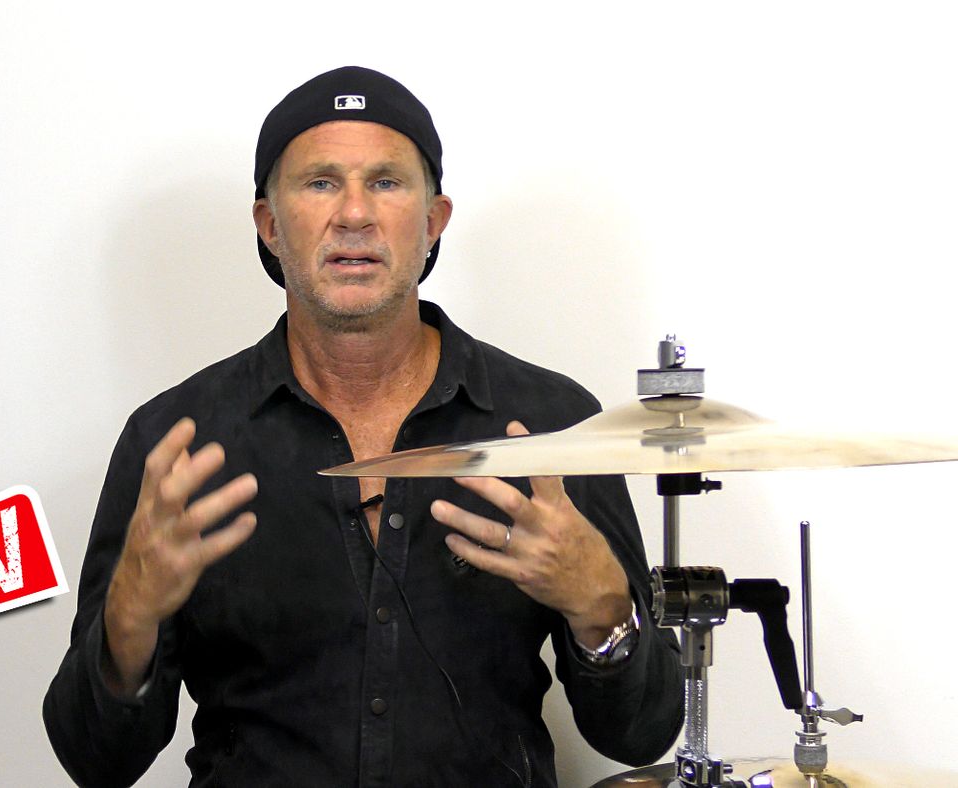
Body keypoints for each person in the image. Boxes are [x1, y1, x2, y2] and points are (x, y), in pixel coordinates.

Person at [44, 66, 684, 787]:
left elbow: (642, 734)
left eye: (386, 182)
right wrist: (129, 617)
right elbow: (95, 761)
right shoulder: (177, 443)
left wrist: (603, 606)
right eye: (320, 183)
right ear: (270, 225)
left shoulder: (549, 428)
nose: (354, 213)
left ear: (434, 220)